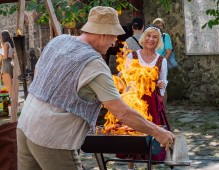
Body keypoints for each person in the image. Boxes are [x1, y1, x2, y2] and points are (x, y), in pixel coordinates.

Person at [17, 6, 174, 170]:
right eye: (113, 36)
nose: (114, 42)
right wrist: (157, 131)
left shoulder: (58, 41)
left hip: (25, 124)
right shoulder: (93, 63)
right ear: (102, 34)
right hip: (52, 137)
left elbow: (37, 75)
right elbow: (122, 112)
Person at [117, 25, 171, 170]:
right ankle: (130, 167)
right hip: (135, 99)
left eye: (155, 37)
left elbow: (164, 81)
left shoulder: (161, 60)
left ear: (158, 41)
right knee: (132, 133)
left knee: (152, 135)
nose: (151, 39)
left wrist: (161, 84)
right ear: (143, 37)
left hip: (152, 102)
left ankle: (150, 167)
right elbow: (125, 79)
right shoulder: (132, 56)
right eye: (148, 36)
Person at [153, 18, 173, 107]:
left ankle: (163, 108)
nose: (158, 27)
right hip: (151, 63)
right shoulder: (152, 36)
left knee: (162, 85)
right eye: (156, 25)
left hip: (160, 63)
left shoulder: (165, 36)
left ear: (163, 26)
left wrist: (162, 62)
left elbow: (169, 51)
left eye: (160, 25)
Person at [0, 30, 14, 98]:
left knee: (8, 84)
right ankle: (12, 98)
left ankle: (12, 100)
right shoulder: (10, 44)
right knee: (9, 83)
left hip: (6, 63)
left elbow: (5, 56)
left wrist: (1, 57)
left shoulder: (6, 44)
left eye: (1, 36)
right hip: (9, 62)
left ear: (3, 36)